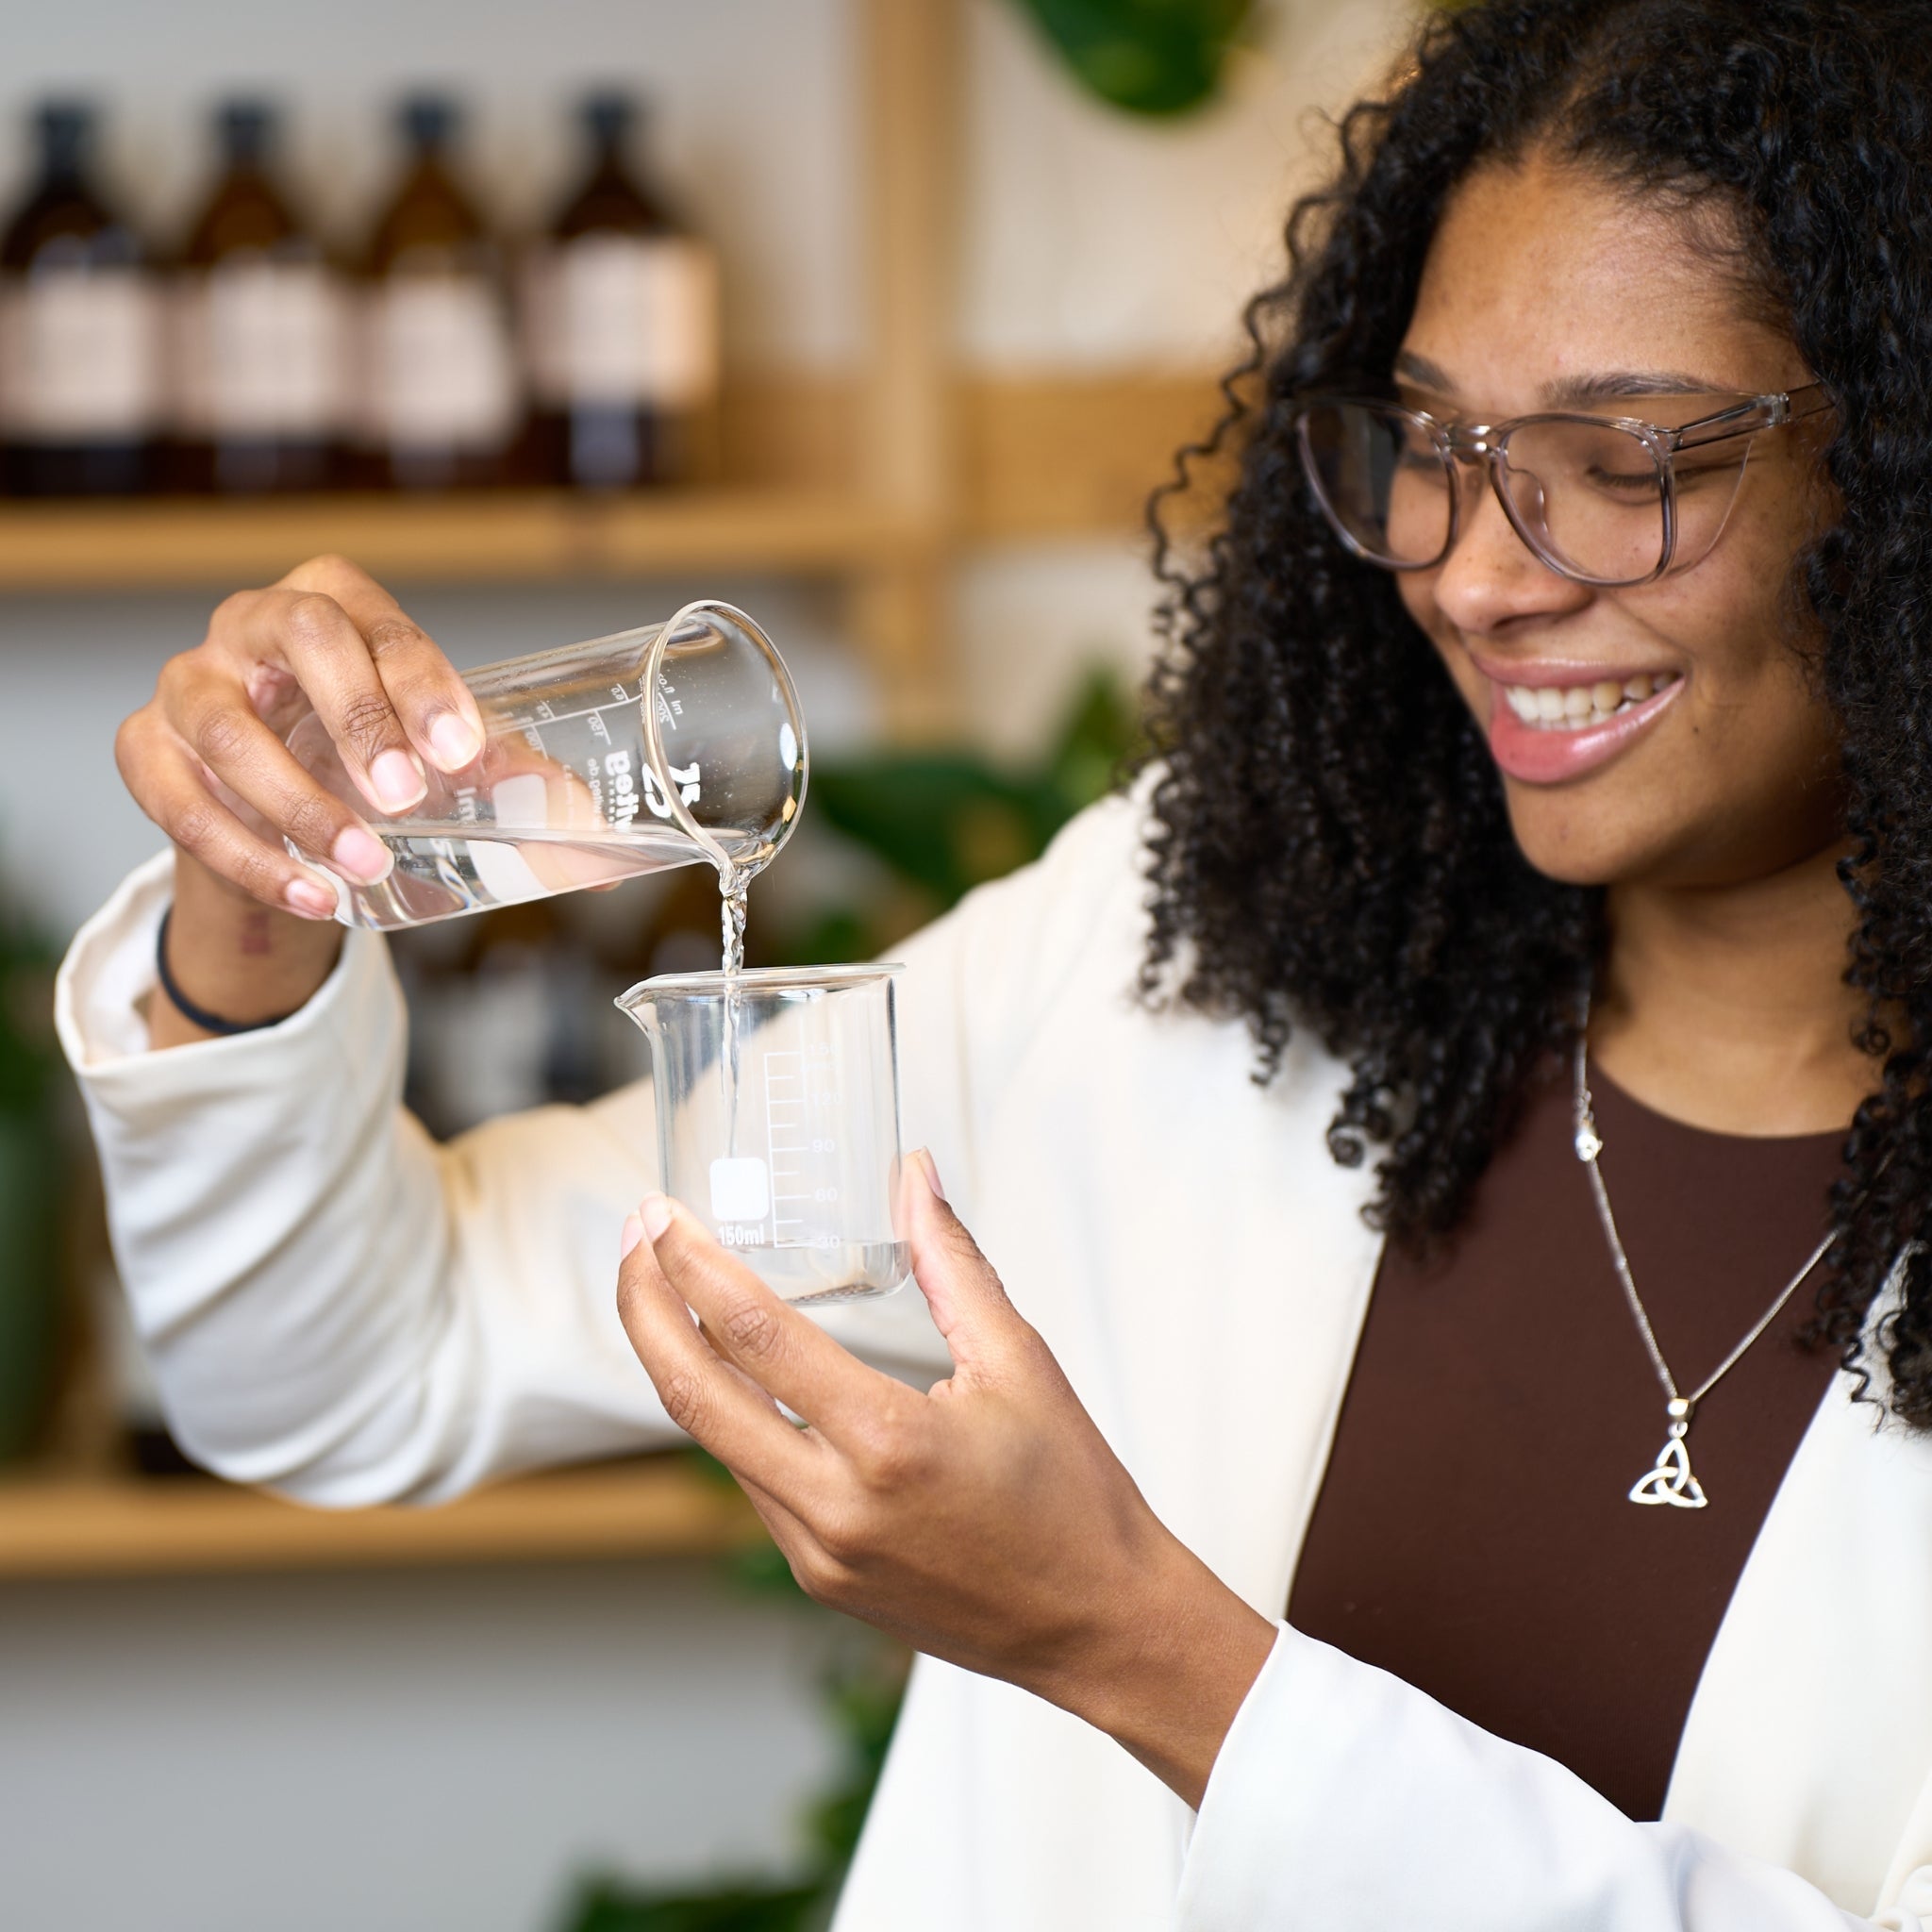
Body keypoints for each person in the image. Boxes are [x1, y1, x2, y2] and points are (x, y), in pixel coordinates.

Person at [54, 0, 1932, 1924]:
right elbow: (362, 1358)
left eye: (1617, 457)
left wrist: (1138, 1646)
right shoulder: (1178, 965)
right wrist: (253, 920)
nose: (1471, 569)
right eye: (1432, 442)